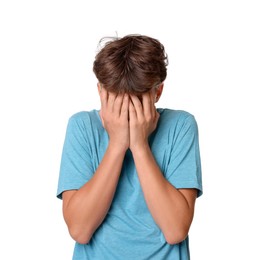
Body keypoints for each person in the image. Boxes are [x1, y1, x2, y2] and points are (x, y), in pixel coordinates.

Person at [57, 34, 203, 260]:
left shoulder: (181, 126)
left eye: (136, 100)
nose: (126, 111)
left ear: (158, 92)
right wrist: (117, 144)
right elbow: (80, 230)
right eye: (116, 99)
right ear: (101, 92)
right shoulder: (82, 127)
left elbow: (175, 230)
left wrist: (139, 144)